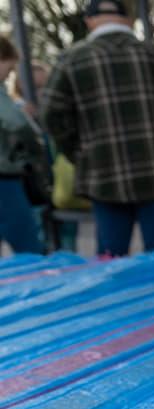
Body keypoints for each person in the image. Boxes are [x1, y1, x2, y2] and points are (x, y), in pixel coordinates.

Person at [40, 0, 154, 257]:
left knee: (110, 261)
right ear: (128, 20)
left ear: (89, 21)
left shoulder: (72, 59)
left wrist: (78, 152)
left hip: (104, 174)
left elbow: (50, 115)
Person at [0, 36, 45, 254]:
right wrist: (36, 150)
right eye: (8, 69)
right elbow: (17, 124)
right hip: (4, 178)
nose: (8, 76)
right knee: (28, 245)